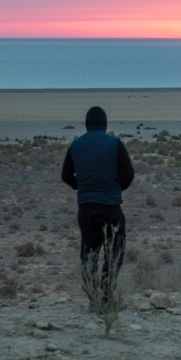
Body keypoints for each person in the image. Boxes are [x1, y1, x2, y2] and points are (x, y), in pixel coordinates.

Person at [61, 106, 135, 310]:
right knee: (114, 253)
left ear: (86, 124)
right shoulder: (115, 144)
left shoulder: (76, 145)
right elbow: (128, 174)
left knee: (89, 253)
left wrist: (82, 187)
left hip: (85, 208)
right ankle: (106, 297)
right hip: (110, 207)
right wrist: (116, 188)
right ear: (105, 124)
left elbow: (66, 176)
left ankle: (93, 297)